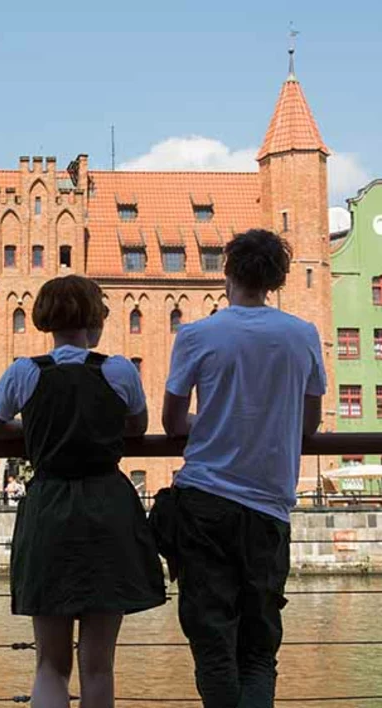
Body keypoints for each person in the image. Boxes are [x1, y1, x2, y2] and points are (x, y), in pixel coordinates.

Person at [0, 275, 166, 708]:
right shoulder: (119, 369)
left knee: (50, 663)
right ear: (93, 319)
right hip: (107, 507)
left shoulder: (24, 372)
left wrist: (36, 431)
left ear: (45, 320)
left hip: (49, 507)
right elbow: (137, 426)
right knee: (99, 665)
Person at [158, 228, 325, 708]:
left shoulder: (196, 334)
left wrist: (213, 422)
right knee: (258, 650)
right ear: (277, 280)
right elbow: (309, 423)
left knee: (213, 645)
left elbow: (172, 423)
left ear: (227, 273)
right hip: (268, 508)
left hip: (205, 502)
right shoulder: (302, 335)